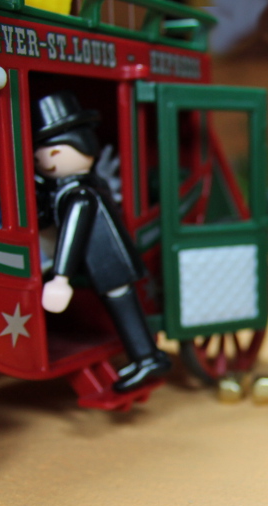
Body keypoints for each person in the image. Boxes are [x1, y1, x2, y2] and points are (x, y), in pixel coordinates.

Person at [34, 91, 171, 393]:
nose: (47, 161)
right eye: (40, 156)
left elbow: (72, 234)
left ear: (82, 146)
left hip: (108, 261)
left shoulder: (80, 194)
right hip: (105, 259)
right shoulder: (81, 185)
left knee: (125, 309)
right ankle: (147, 357)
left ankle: (148, 358)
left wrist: (61, 278)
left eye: (55, 153)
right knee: (123, 307)